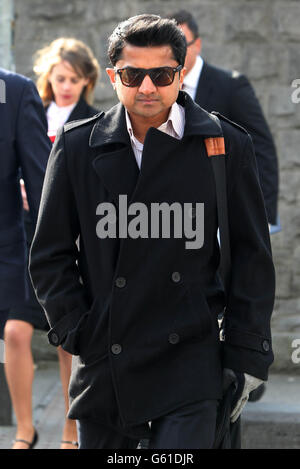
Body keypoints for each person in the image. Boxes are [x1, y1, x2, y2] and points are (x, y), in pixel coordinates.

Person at [29, 14, 275, 449]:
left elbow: (252, 255)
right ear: (112, 77)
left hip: (191, 363)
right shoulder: (75, 147)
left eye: (161, 75)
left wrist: (247, 352)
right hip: (107, 363)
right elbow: (50, 255)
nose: (146, 88)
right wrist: (79, 330)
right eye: (132, 74)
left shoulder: (224, 145)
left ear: (181, 75)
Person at [4, 38, 100, 450]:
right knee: (15, 332)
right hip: (23, 236)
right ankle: (25, 428)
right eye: (60, 77)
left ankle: (71, 426)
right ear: (49, 76)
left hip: (68, 234)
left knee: (66, 336)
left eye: (74, 79)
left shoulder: (95, 120)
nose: (65, 86)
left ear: (87, 83)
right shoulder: (27, 106)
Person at [168, 9, 279, 229]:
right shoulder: (158, 88)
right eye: (170, 48)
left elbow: (261, 148)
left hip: (225, 214)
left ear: (197, 45)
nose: (175, 54)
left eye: (182, 45)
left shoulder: (231, 86)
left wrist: (263, 214)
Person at [0, 68, 51, 448]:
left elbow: (42, 182)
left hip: (9, 251)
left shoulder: (15, 92)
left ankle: (25, 431)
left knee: (15, 334)